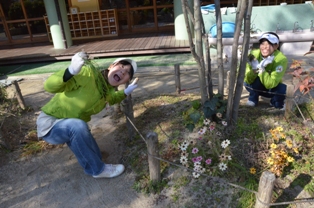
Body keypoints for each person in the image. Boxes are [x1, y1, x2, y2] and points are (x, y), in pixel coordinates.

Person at [36, 52, 138, 178]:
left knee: (94, 151)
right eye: (122, 66)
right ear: (111, 66)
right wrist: (70, 71)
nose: (123, 72)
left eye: (128, 72)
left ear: (127, 80)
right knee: (77, 126)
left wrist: (125, 92)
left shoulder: (106, 91)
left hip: (70, 125)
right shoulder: (87, 74)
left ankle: (93, 162)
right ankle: (98, 170)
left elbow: (112, 98)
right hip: (50, 124)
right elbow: (49, 86)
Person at [244, 32, 288, 109]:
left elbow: (271, 84)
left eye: (269, 44)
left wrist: (262, 70)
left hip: (270, 87)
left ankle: (274, 101)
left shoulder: (281, 59)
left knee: (283, 89)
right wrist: (254, 70)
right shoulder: (253, 55)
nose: (265, 47)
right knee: (255, 80)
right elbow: (246, 79)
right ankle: (253, 99)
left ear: (276, 46)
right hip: (254, 85)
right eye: (262, 44)